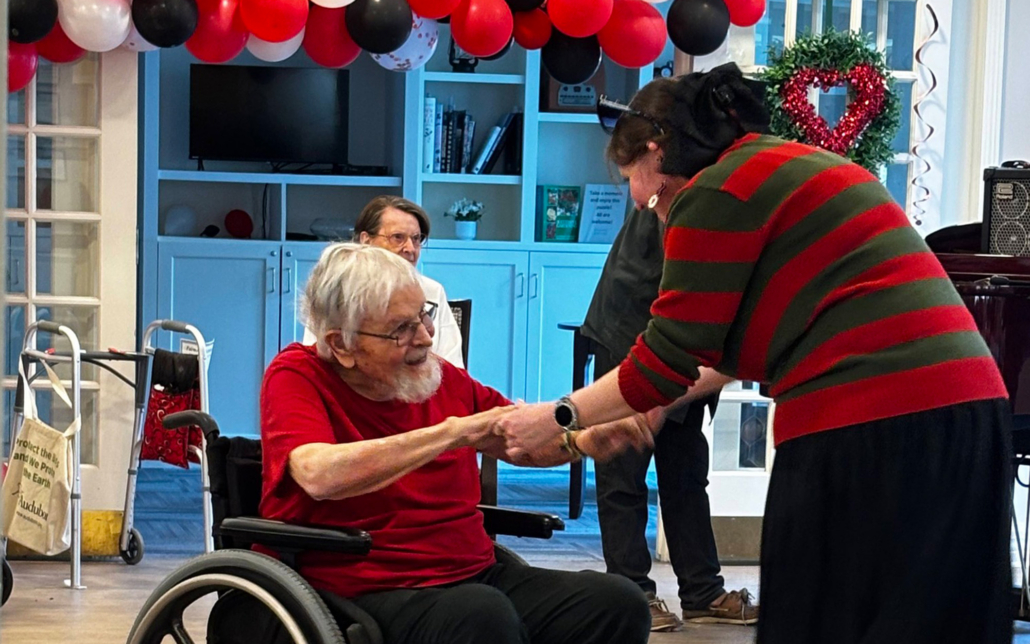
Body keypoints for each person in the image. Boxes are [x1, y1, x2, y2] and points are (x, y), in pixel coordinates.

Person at [496, 62, 1013, 644]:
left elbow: (667, 357)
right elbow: (716, 355)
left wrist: (559, 417)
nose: (639, 202)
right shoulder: (788, 165)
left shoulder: (713, 191)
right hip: (971, 411)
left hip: (868, 421)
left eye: (632, 178)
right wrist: (651, 407)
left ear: (655, 151)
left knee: (818, 620)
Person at [261, 242, 651, 644]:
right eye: (401, 329)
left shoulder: (437, 376)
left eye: (423, 315)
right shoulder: (297, 374)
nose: (425, 338)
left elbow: (517, 440)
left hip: (473, 574)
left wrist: (583, 441)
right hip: (359, 588)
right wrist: (454, 432)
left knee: (618, 603)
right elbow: (319, 474)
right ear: (341, 344)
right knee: (481, 614)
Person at [581, 206, 757, 629]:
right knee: (623, 467)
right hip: (631, 328)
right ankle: (632, 591)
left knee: (686, 471)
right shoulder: (690, 199)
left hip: (689, 337)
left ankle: (702, 592)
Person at [303, 195, 465, 368]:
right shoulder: (335, 292)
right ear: (366, 240)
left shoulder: (432, 291)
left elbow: (452, 367)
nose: (410, 248)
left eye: (416, 239)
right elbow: (318, 364)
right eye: (398, 237)